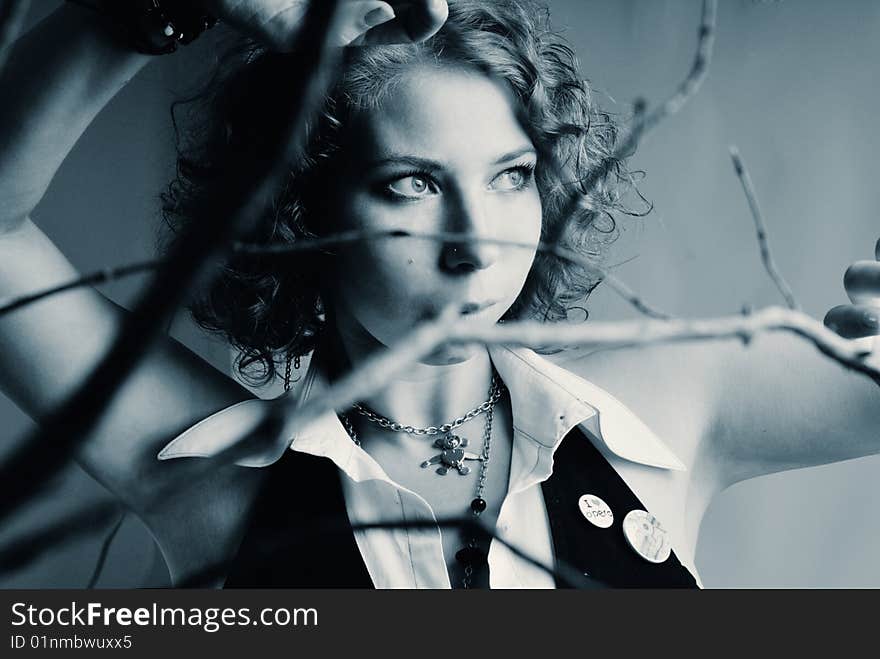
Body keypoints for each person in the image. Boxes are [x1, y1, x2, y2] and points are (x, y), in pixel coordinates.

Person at [0, 0, 878, 589]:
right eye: (412, 184)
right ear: (298, 210)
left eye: (510, 176)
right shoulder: (216, 479)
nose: (479, 243)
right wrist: (141, 6)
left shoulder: (671, 409)